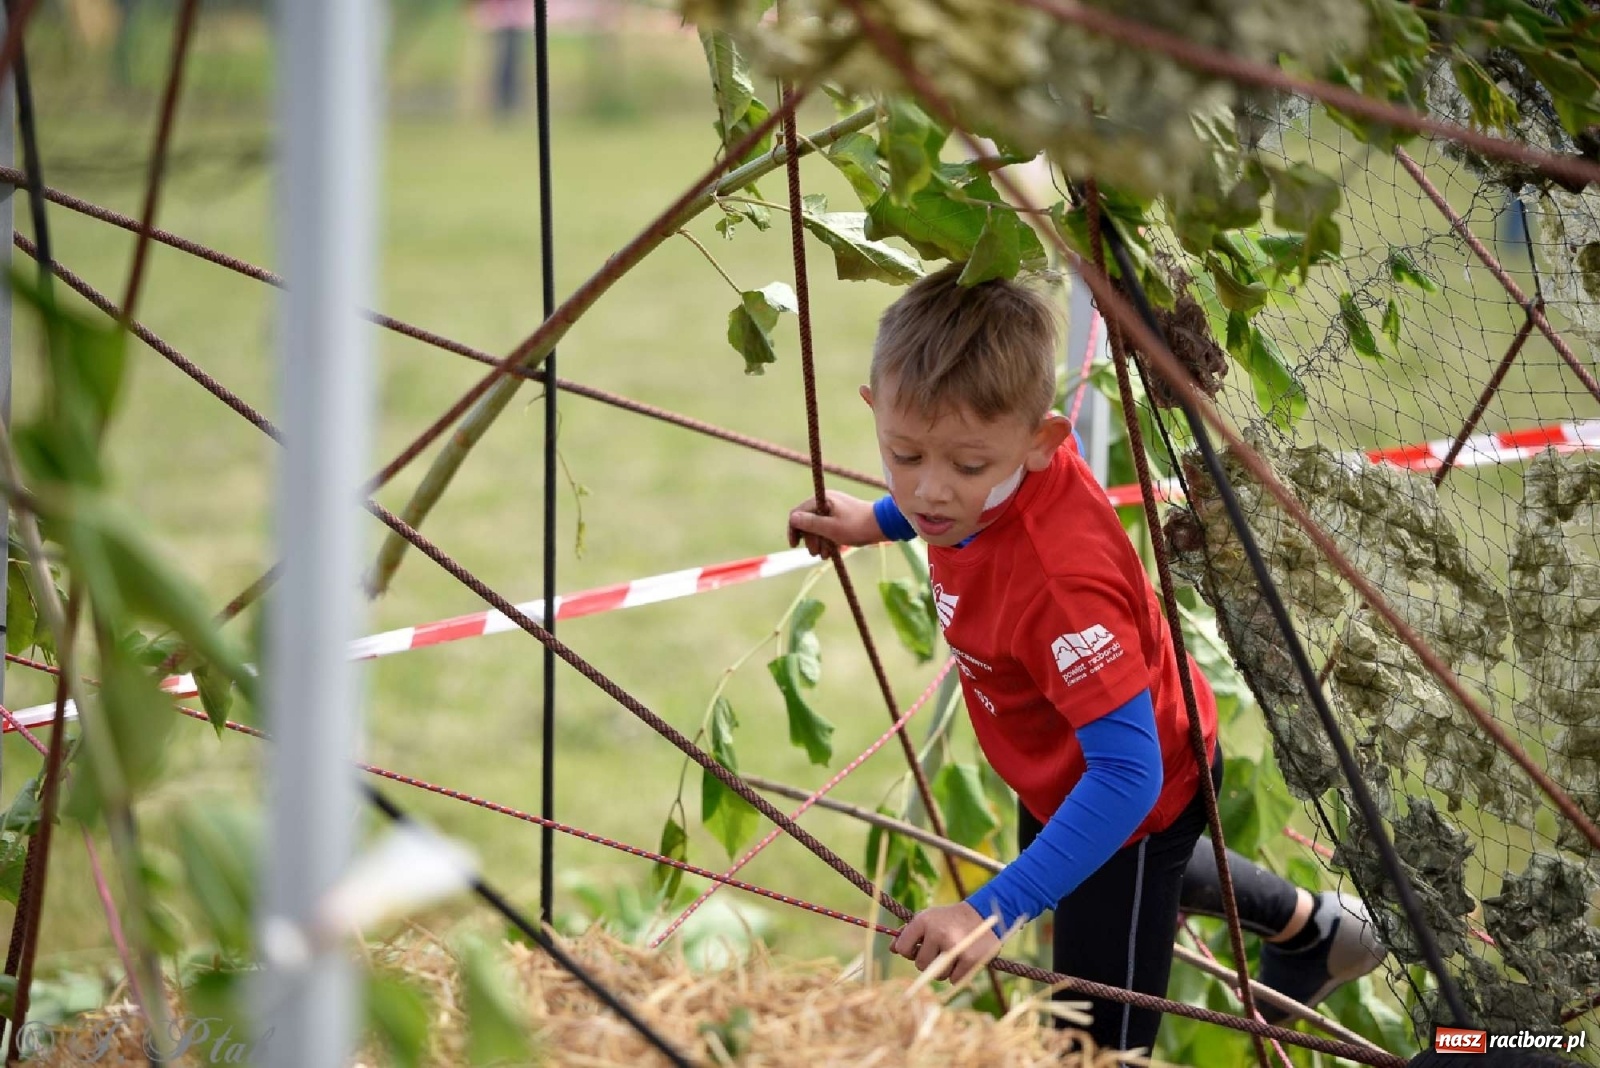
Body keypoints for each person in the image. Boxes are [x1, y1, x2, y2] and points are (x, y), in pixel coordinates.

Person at [785, 263, 1384, 1055]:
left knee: (1091, 1040)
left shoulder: (1062, 586)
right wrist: (878, 519)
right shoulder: (977, 482)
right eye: (904, 454)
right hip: (1070, 755)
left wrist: (993, 910)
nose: (931, 491)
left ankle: (1302, 941)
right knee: (1116, 870)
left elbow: (1126, 781)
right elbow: (948, 502)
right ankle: (1318, 931)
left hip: (1132, 779)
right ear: (877, 413)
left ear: (1043, 445)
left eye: (967, 466)